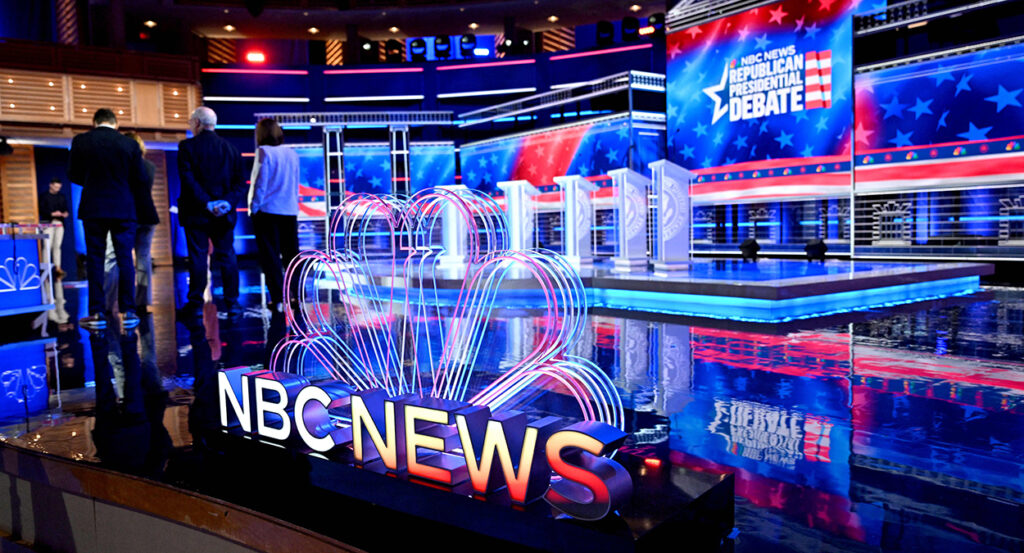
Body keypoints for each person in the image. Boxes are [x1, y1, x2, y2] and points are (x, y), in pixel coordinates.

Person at [68, 108, 146, 330]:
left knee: (95, 260)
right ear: (115, 123)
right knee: (124, 259)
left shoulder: (81, 141)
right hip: (123, 207)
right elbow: (139, 177)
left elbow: (72, 173)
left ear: (95, 122)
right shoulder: (129, 144)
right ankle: (129, 311)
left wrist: (93, 182)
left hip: (94, 207)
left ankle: (97, 313)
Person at [177, 106, 245, 320]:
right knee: (227, 256)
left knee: (198, 257)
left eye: (191, 123)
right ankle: (232, 303)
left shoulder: (187, 147)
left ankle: (196, 304)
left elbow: (188, 180)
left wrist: (207, 203)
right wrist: (225, 203)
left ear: (197, 123)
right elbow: (240, 184)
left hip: (197, 213)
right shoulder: (231, 149)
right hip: (223, 215)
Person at [103, 132, 159, 314]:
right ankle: (142, 302)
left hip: (127, 215)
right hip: (148, 215)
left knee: (113, 257)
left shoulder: (122, 166)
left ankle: (107, 303)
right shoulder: (149, 166)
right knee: (143, 259)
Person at [249, 118, 299, 312]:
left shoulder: (263, 152)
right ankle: (297, 296)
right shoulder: (292, 154)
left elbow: (261, 183)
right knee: (292, 256)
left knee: (270, 257)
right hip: (289, 210)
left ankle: (278, 298)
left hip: (268, 211)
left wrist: (254, 207)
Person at [39, 177, 69, 278]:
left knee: (57, 246)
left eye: (59, 187)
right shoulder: (44, 196)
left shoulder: (62, 196)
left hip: (59, 223)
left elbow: (65, 209)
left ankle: (57, 267)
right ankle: (46, 267)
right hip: (48, 223)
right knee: (47, 246)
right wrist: (52, 213)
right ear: (51, 185)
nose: (57, 189)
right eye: (55, 187)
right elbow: (42, 209)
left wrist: (64, 213)